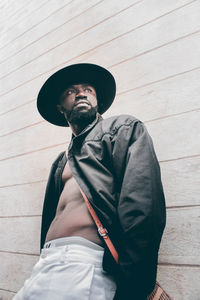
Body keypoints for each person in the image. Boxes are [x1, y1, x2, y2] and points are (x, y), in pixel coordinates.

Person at [14, 63, 166, 300]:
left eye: (89, 90)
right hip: (46, 263)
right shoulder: (61, 161)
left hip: (86, 263)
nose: (81, 93)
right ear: (59, 108)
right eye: (70, 91)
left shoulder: (122, 129)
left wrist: (133, 284)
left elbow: (143, 206)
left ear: (98, 101)